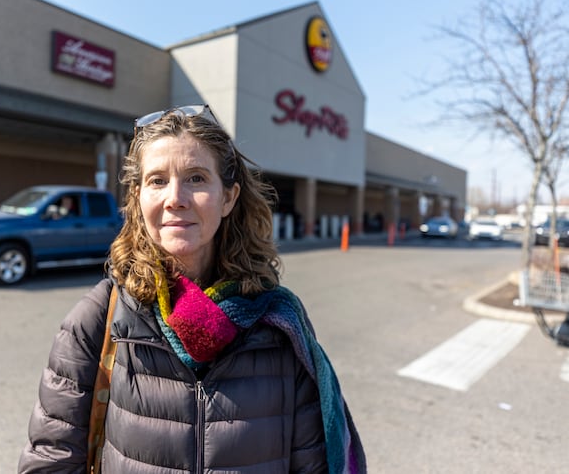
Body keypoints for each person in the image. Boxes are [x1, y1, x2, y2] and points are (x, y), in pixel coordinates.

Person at [18, 105, 366, 473]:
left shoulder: (279, 327)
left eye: (196, 178)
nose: (175, 197)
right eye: (157, 180)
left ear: (229, 197)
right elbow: (49, 462)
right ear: (138, 197)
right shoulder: (99, 319)